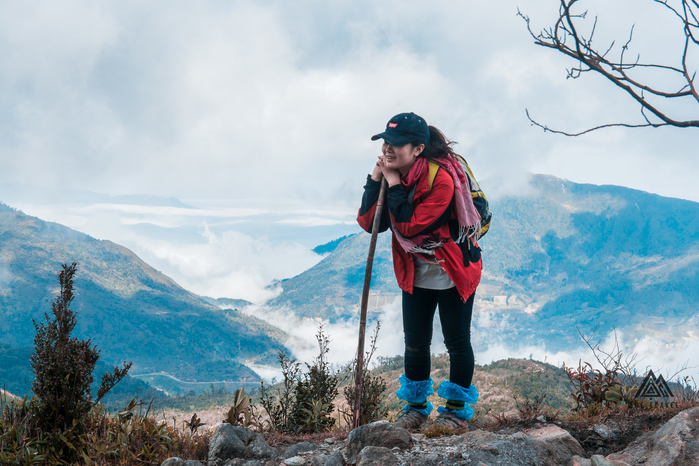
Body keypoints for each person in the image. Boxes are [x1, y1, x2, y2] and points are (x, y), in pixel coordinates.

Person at [357, 112, 482, 431]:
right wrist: (375, 179)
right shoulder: (391, 172)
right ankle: (415, 410)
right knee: (414, 342)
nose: (388, 148)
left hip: (453, 270)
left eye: (397, 144)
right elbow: (371, 223)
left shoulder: (440, 178)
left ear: (417, 149)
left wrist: (394, 183)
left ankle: (455, 413)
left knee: (457, 342)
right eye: (386, 142)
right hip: (415, 270)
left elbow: (412, 226)